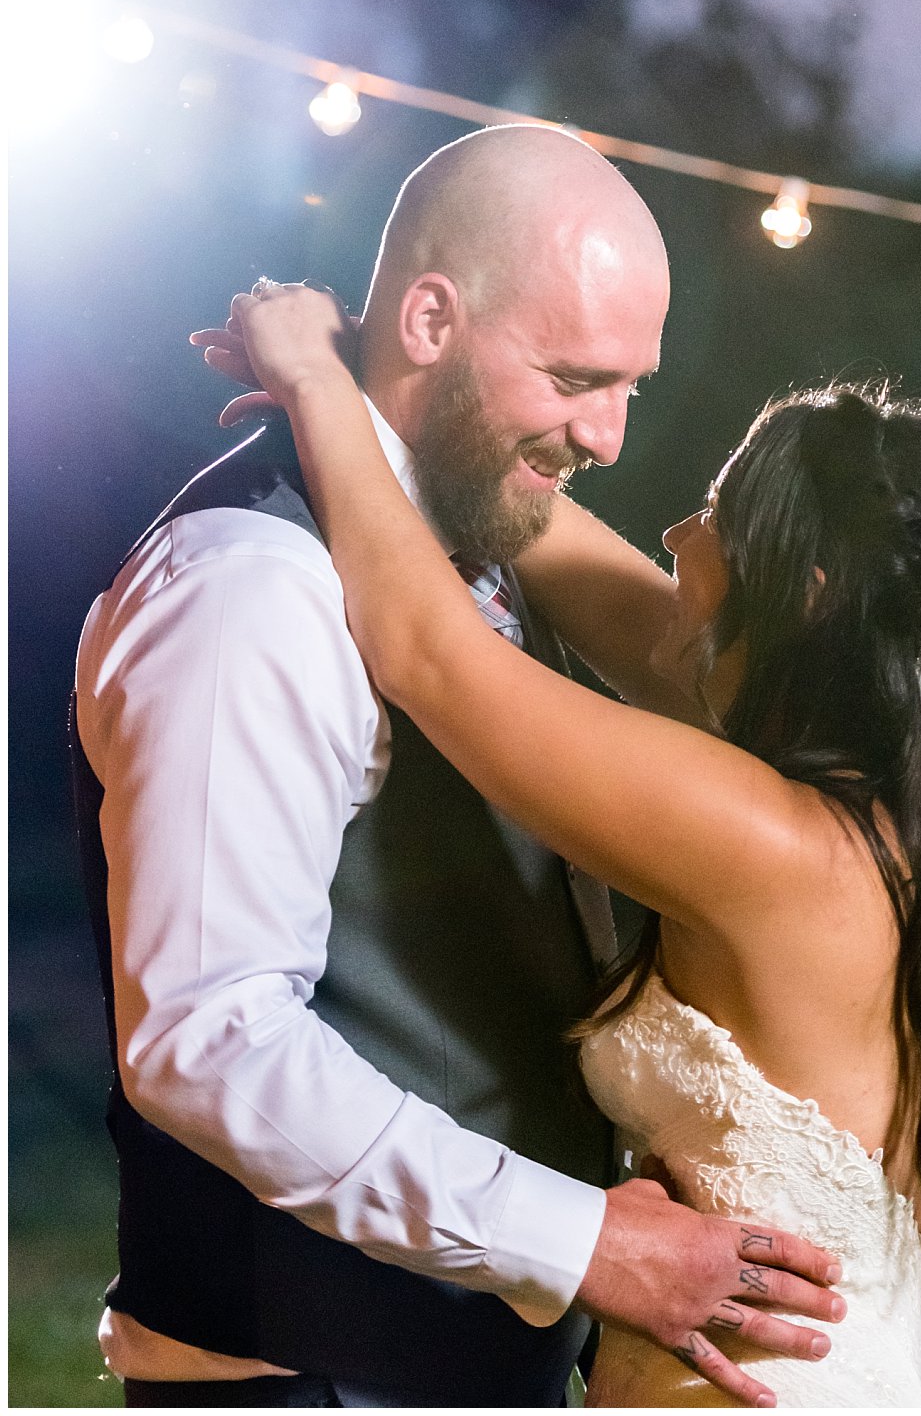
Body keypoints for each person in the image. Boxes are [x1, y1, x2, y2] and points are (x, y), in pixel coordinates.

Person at [201, 280, 921, 1409]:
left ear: (800, 592)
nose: (676, 535)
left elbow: (426, 649)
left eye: (716, 517)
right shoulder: (883, 814)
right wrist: (412, 394)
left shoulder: (763, 839)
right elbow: (568, 558)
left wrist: (311, 376)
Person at [72, 126, 840, 1411]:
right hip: (311, 1377)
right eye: (576, 375)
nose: (608, 434)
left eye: (632, 385)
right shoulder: (252, 586)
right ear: (429, 316)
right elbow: (209, 1040)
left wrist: (328, 385)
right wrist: (587, 1240)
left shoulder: (475, 528)